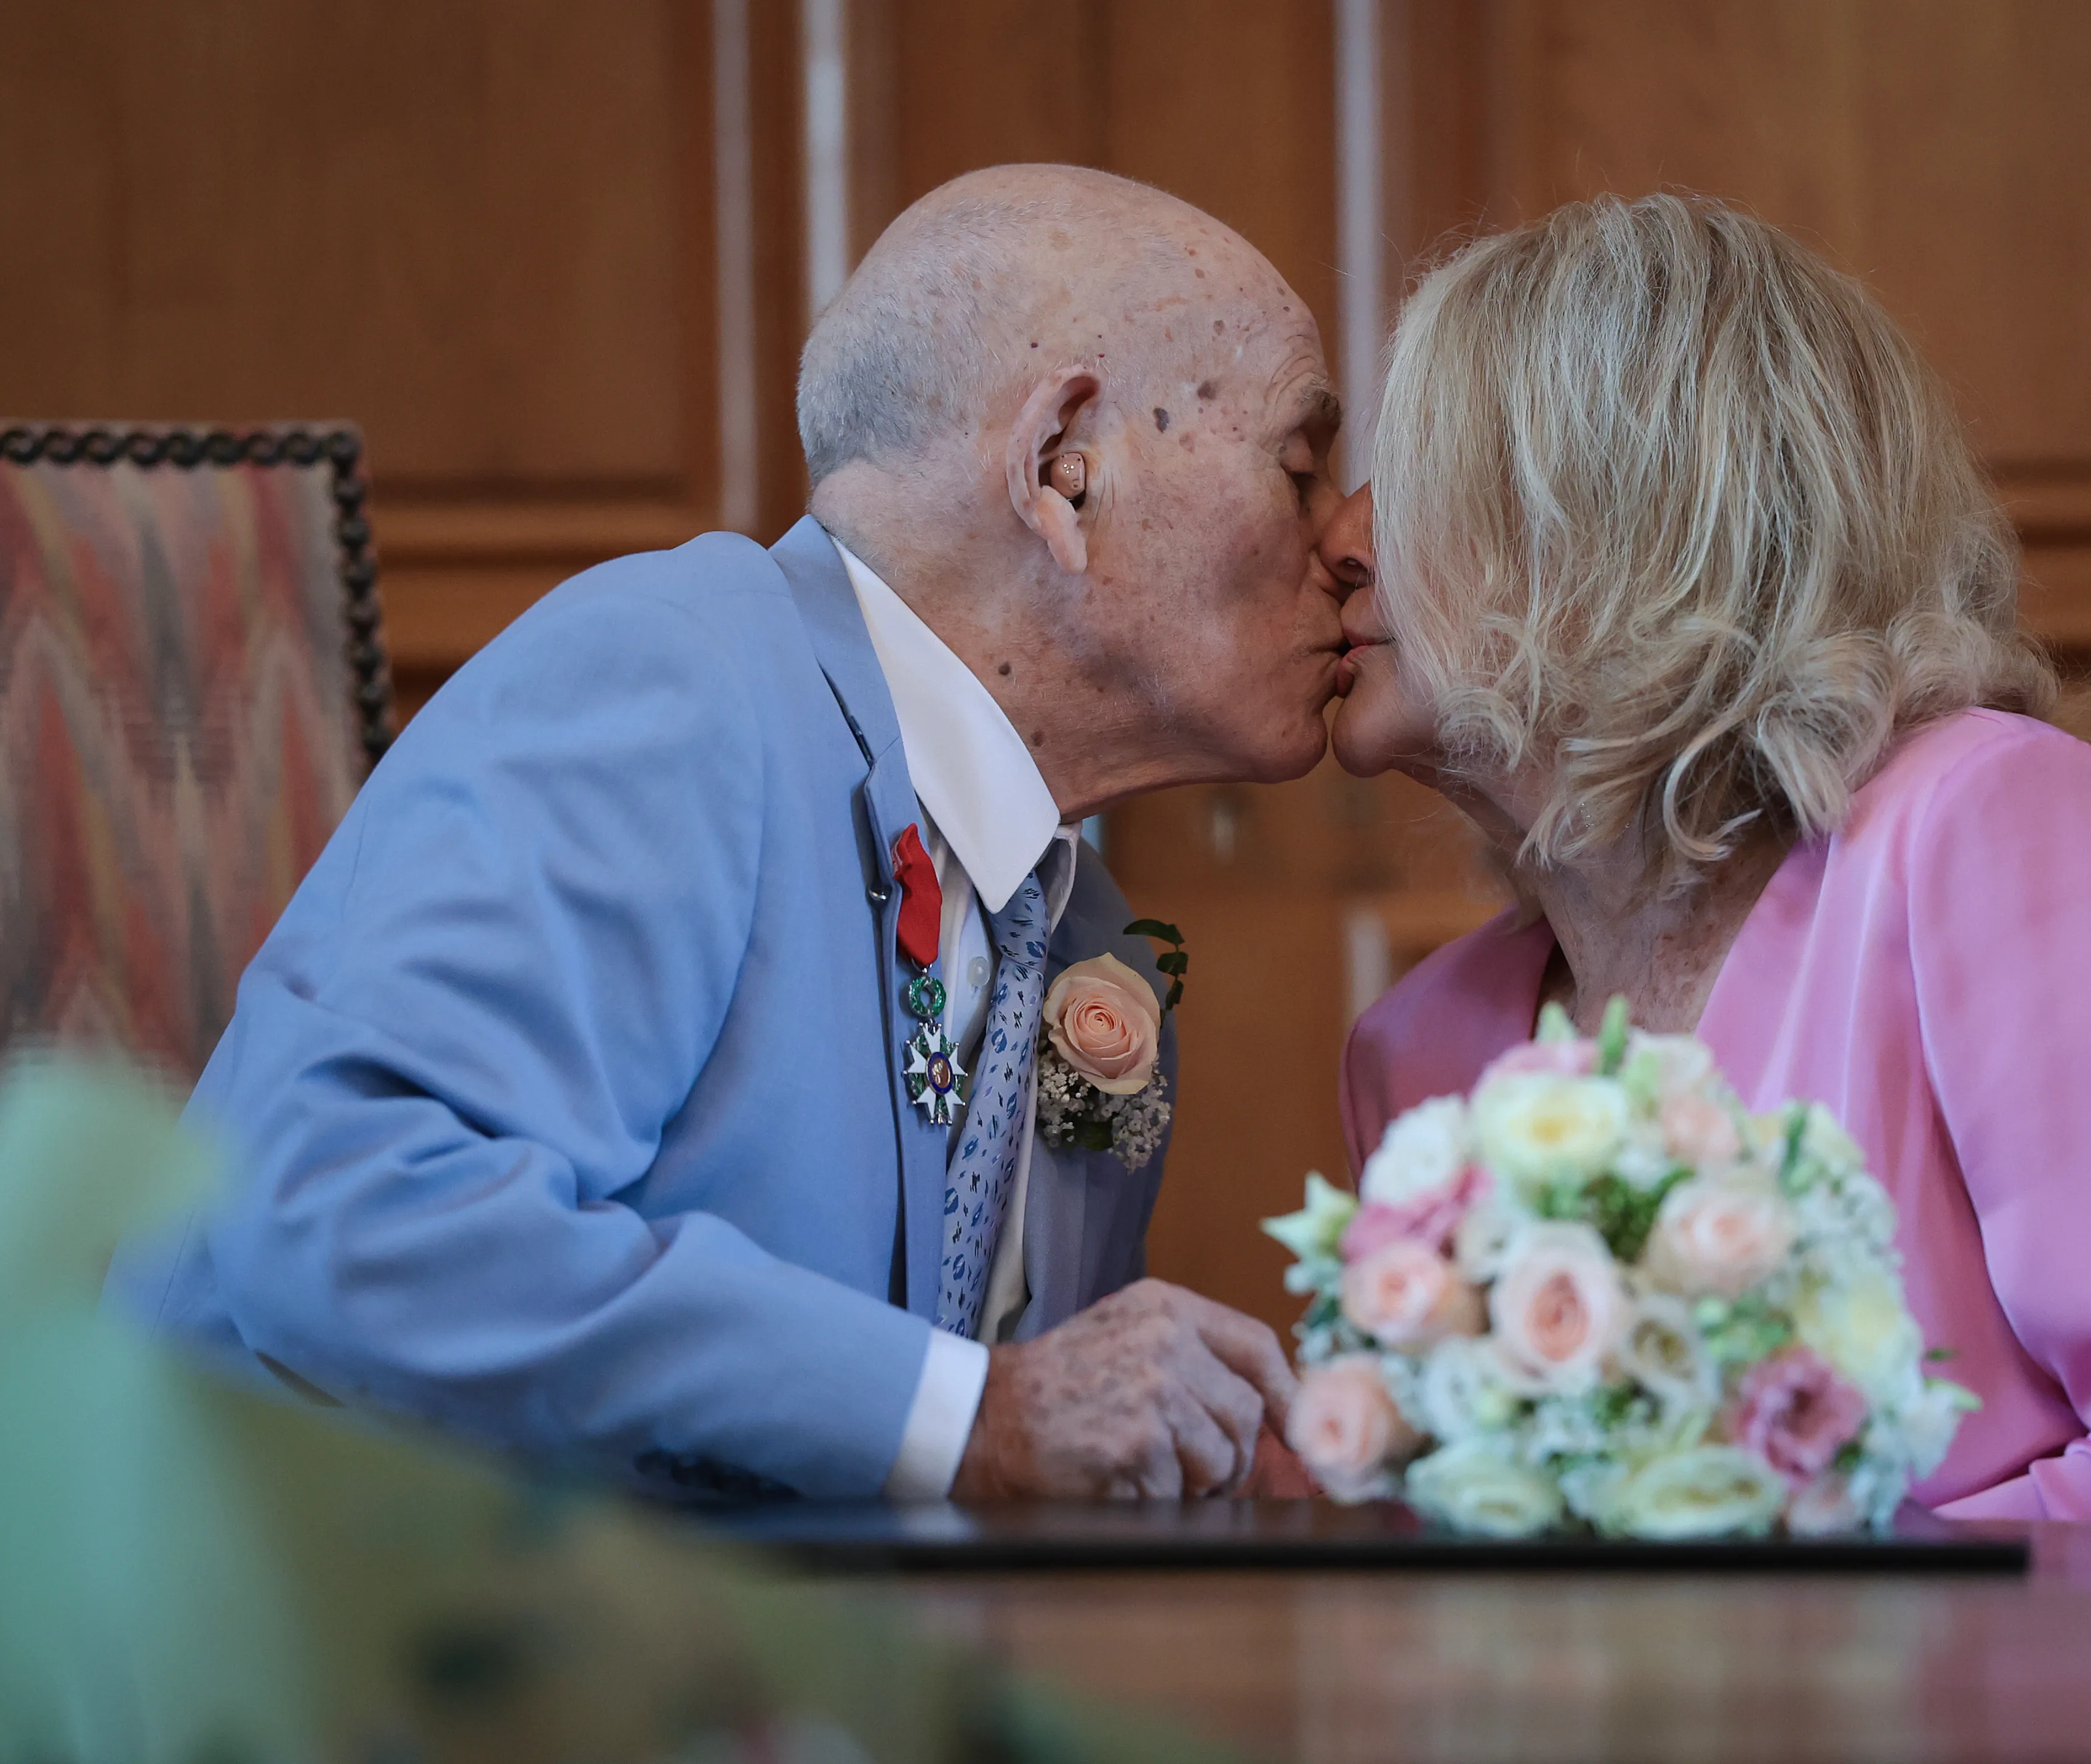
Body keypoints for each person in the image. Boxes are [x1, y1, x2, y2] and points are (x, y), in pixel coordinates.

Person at [110, 165, 1347, 1504]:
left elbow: (1017, 1449)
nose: (1347, 540)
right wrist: (969, 1414)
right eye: (1300, 466)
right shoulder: (671, 678)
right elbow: (342, 1210)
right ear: (1062, 466)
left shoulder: (1084, 932)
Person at [1323, 192, 2091, 1525]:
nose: (1340, 539)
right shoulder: (1420, 1048)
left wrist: (1811, 1623)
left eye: (1413, 471)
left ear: (1615, 519)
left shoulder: (1981, 825)